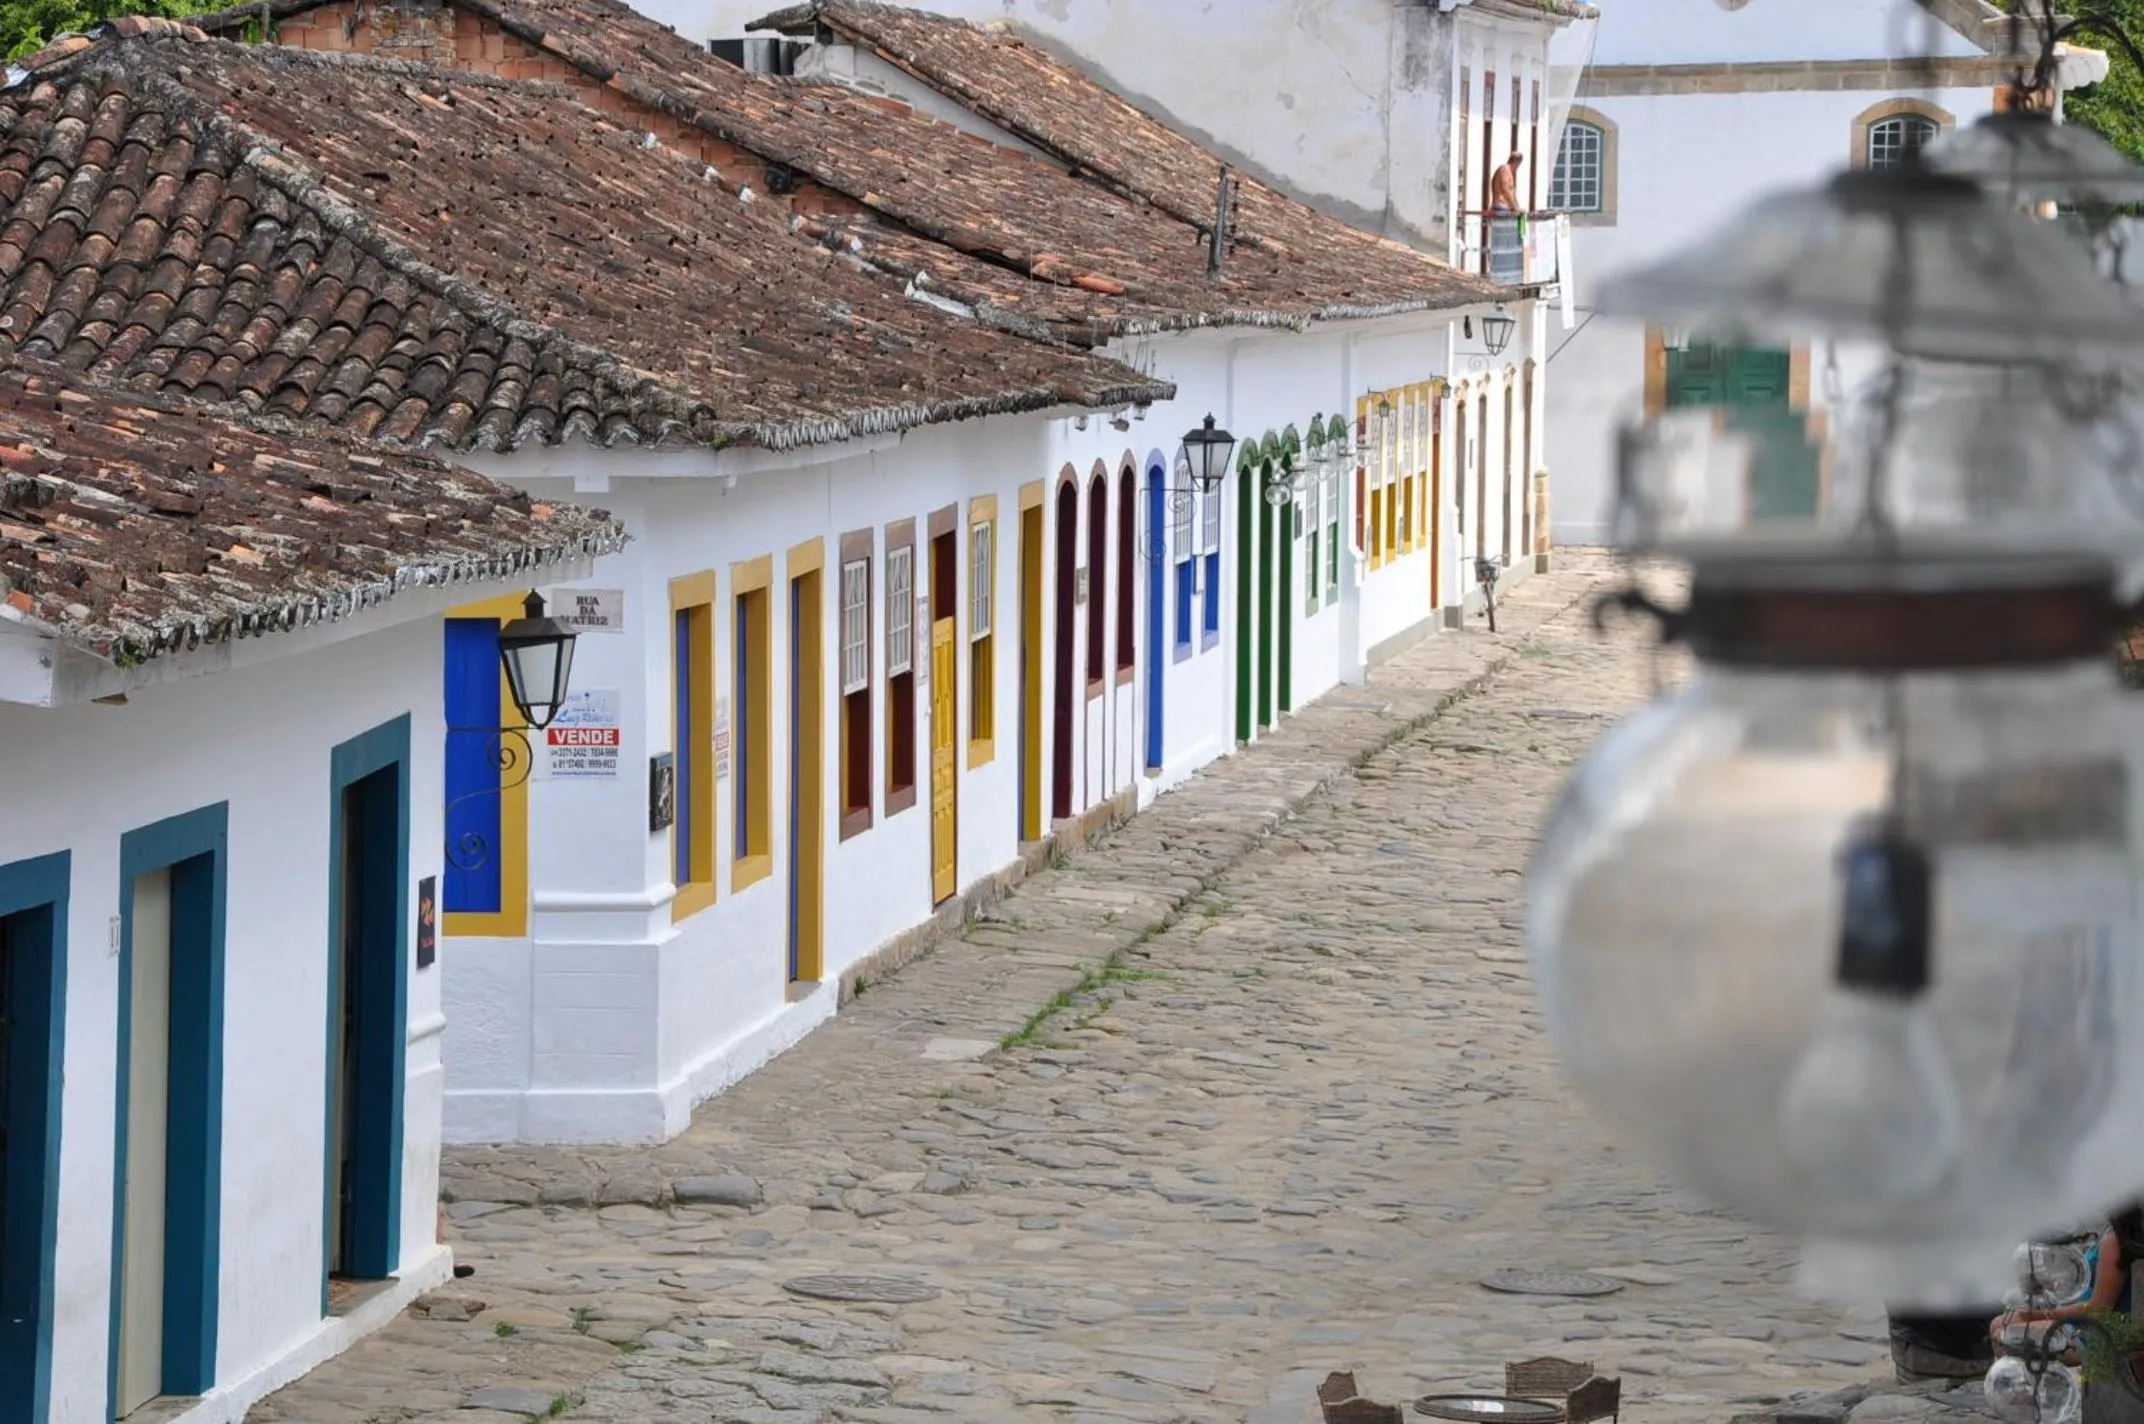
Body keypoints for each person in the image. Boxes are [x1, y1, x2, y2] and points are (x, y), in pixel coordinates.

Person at [1992, 1205, 2144, 1362]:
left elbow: (2097, 1310)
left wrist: (2048, 1314)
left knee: (2002, 1331)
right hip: (2092, 1325)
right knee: (2006, 1321)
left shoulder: (2115, 1243)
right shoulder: (2126, 1236)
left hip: (2093, 1335)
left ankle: (2020, 1382)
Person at [1490, 150, 1525, 215]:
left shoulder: (1509, 172)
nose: (1517, 167)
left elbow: (1512, 193)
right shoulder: (1505, 170)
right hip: (1501, 207)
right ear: (1516, 162)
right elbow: (1505, 190)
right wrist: (1515, 208)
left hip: (1507, 208)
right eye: (1518, 164)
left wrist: (1517, 207)